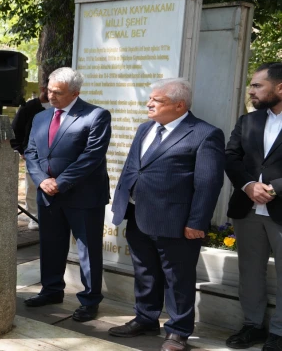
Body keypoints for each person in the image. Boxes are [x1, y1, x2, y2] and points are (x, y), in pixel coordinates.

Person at [108, 78, 224, 351]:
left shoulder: (205, 134)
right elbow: (132, 167)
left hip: (176, 222)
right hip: (138, 215)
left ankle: (178, 331)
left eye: (156, 100)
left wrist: (197, 222)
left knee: (178, 278)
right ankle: (146, 318)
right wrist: (121, 203)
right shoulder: (145, 128)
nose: (149, 104)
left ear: (179, 104)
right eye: (150, 99)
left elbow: (208, 183)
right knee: (145, 272)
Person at [23, 67, 111, 323]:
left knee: (87, 250)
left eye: (58, 93)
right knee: (50, 245)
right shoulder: (41, 117)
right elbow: (31, 153)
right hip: (48, 194)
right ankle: (51, 291)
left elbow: (91, 157)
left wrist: (60, 182)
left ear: (75, 92)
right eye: (48, 90)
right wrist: (42, 181)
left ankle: (90, 300)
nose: (51, 96)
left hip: (83, 195)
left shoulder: (96, 115)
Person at [224, 62, 282, 351]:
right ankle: (252, 325)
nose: (251, 90)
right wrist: (248, 186)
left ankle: (279, 333)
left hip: (280, 209)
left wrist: (274, 188)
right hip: (246, 209)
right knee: (249, 270)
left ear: (280, 87)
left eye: (258, 85)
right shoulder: (248, 121)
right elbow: (231, 157)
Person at [11, 85, 50, 230]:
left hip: (52, 156)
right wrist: (21, 150)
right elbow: (15, 130)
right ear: (43, 88)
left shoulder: (62, 107)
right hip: (33, 155)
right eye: (49, 89)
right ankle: (34, 217)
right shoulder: (28, 108)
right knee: (32, 186)